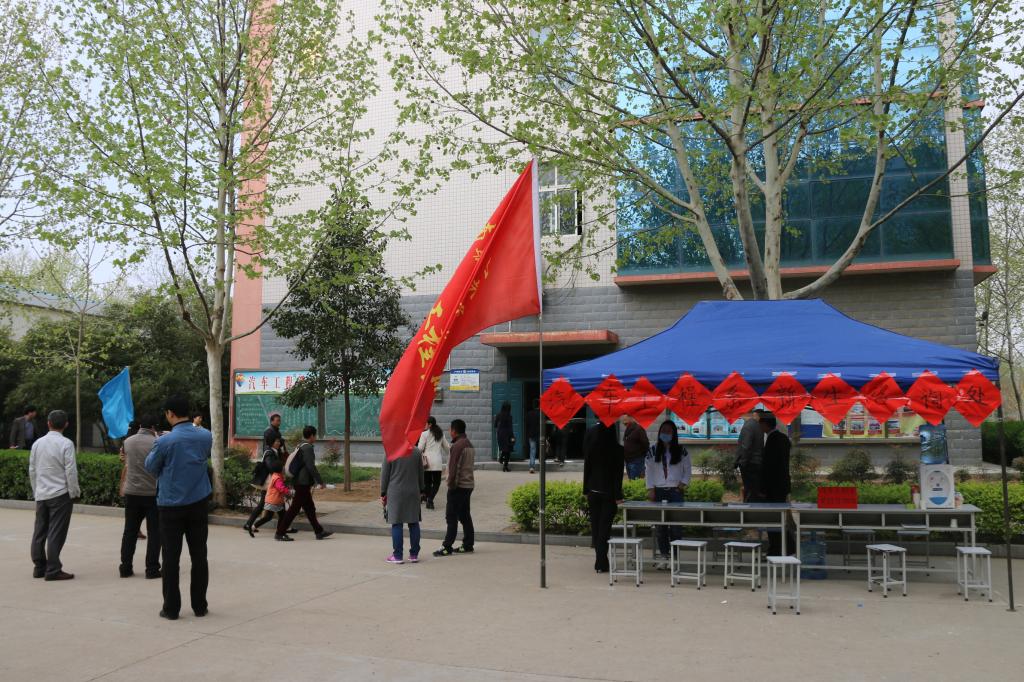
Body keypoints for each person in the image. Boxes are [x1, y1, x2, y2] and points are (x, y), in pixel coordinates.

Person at [144, 395, 212, 620]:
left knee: (171, 558)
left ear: (170, 413)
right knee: (199, 555)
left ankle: (171, 608)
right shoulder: (206, 435)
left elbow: (151, 467)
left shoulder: (165, 441)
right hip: (199, 502)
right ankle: (200, 606)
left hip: (171, 505)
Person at [29, 410, 79, 581]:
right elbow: (70, 471)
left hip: (41, 493)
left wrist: (36, 491)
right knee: (56, 533)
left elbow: (32, 470)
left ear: (48, 423)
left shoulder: (37, 443)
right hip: (60, 494)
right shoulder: (66, 444)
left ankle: (39, 567)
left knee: (39, 531)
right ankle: (53, 569)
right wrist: (74, 492)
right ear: (66, 424)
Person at [119, 414, 161, 579]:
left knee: (129, 531)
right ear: (153, 427)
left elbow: (125, 461)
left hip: (131, 492)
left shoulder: (127, 442)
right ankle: (152, 569)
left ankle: (125, 568)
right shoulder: (157, 443)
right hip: (152, 493)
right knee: (154, 533)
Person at [275, 425, 333, 541]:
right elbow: (310, 466)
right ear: (311, 436)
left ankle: (319, 531)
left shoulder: (300, 445)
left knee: (310, 508)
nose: (315, 437)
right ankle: (280, 533)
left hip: (300, 482)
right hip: (303, 483)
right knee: (294, 509)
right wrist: (320, 481)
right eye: (315, 435)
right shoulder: (307, 448)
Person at [645, 420, 691, 561]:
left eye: (669, 431)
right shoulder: (652, 450)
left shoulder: (681, 450)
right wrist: (650, 489)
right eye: (663, 430)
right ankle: (664, 555)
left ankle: (675, 556)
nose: (666, 433)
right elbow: (648, 470)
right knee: (661, 526)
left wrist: (681, 485)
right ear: (659, 432)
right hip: (659, 491)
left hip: (675, 491)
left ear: (674, 433)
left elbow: (687, 469)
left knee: (676, 526)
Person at [582, 421, 624, 573]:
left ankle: (600, 561)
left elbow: (587, 468)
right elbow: (618, 476)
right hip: (609, 494)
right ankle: (601, 561)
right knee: (604, 529)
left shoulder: (592, 448)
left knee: (596, 527)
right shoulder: (618, 450)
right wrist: (618, 495)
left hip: (593, 491)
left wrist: (585, 489)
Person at [433, 419, 475, 556]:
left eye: (450, 429)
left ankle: (447, 546)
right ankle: (468, 544)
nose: (449, 431)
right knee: (464, 515)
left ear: (454, 431)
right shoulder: (468, 444)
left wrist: (451, 485)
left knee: (451, 516)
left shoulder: (457, 446)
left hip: (458, 486)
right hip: (468, 485)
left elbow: (453, 468)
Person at [381, 447, 426, 564]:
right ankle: (414, 554)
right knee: (414, 522)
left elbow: (385, 474)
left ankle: (397, 555)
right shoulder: (416, 451)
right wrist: (422, 489)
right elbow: (421, 472)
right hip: (413, 491)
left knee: (397, 523)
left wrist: (383, 492)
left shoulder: (391, 450)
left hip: (395, 492)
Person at [244, 436, 294, 534]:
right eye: (276, 441)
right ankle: (283, 528)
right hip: (271, 482)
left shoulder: (275, 451)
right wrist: (279, 475)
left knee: (265, 505)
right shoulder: (269, 453)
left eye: (279, 441)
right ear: (271, 442)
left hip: (272, 483)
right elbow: (271, 467)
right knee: (273, 506)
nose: (278, 443)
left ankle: (249, 524)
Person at [760, 413, 793, 555]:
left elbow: (768, 467)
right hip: (783, 485)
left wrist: (763, 488)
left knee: (773, 519)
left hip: (773, 487)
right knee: (780, 518)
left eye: (760, 424)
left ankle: (777, 548)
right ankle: (785, 547)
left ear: (765, 424)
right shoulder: (783, 438)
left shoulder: (772, 440)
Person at [250, 460, 291, 536]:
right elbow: (281, 488)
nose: (284, 468)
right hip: (275, 501)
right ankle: (279, 532)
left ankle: (253, 527)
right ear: (280, 469)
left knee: (269, 517)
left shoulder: (275, 476)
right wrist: (288, 492)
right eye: (283, 467)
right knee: (282, 516)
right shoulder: (277, 478)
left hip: (272, 500)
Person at [417, 416, 449, 510]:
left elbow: (420, 448)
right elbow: (447, 448)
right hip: (437, 462)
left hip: (426, 462)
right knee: (436, 483)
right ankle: (430, 499)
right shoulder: (440, 434)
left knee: (427, 482)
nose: (424, 425)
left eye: (425, 423)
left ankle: (426, 497)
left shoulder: (424, 434)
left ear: (430, 424)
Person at [734, 408, 764, 502]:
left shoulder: (748, 426)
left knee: (749, 490)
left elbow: (746, 446)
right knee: (754, 489)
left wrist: (742, 462)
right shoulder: (757, 425)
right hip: (756, 462)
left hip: (749, 464)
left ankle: (749, 507)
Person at [622, 415, 650, 480]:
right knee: (631, 481)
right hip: (628, 460)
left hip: (637, 461)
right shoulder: (628, 430)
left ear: (631, 419)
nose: (625, 424)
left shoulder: (639, 429)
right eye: (624, 423)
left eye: (626, 422)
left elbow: (646, 444)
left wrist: (641, 455)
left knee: (635, 481)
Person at [493, 401, 514, 472]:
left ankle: (502, 461)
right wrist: (512, 436)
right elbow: (510, 427)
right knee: (508, 450)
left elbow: (495, 425)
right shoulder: (509, 416)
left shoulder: (498, 415)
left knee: (504, 449)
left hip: (500, 434)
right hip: (507, 434)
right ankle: (505, 465)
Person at [525, 400, 541, 474]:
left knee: (532, 450)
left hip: (531, 434)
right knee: (541, 450)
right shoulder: (541, 414)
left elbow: (527, 425)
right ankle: (542, 465)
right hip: (540, 434)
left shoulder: (529, 414)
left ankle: (532, 467)